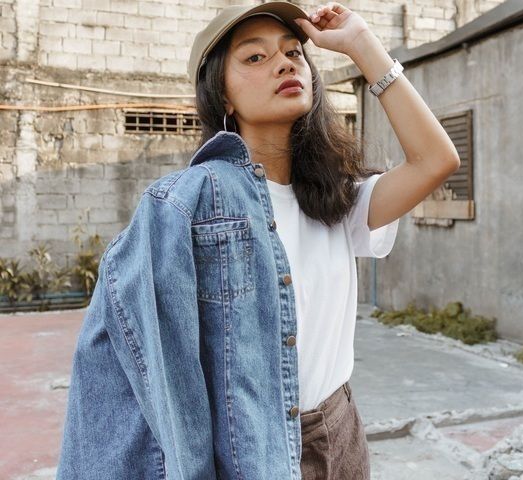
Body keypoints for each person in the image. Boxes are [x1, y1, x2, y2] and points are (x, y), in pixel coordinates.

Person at [56, 2, 460, 480]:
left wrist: (360, 43)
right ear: (222, 96)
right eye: (255, 57)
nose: (285, 64)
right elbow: (155, 373)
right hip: (256, 451)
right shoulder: (188, 204)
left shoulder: (334, 200)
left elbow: (436, 160)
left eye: (293, 53)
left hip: (342, 433)